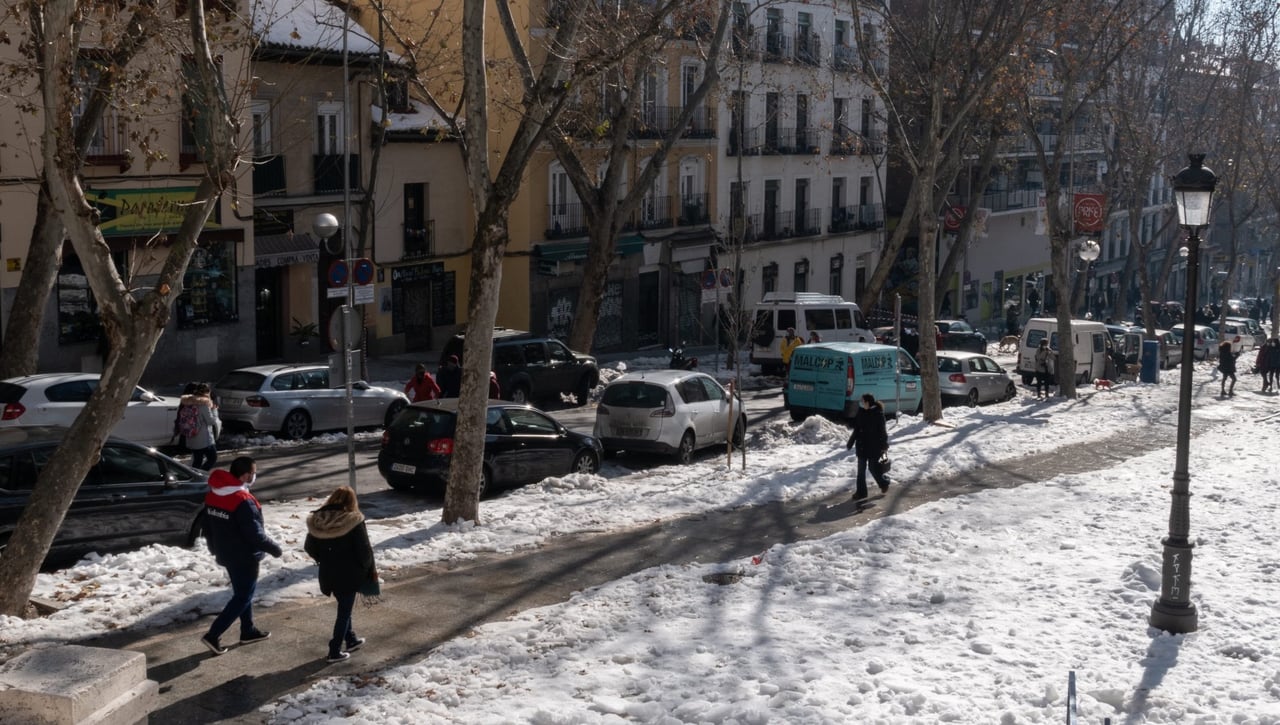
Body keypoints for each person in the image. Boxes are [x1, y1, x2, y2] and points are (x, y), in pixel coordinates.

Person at [200, 456, 281, 656]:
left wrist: (214, 548)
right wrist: (274, 549)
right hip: (245, 556)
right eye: (253, 473)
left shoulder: (213, 494)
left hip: (226, 552)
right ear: (245, 476)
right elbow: (254, 534)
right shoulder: (242, 500)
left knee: (242, 594)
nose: (254, 476)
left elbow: (207, 527)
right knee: (243, 597)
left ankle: (248, 630)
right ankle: (213, 635)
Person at [305, 486, 376, 664]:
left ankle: (350, 639)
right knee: (344, 612)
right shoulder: (354, 521)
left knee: (345, 606)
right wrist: (366, 568)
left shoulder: (318, 520)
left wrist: (324, 558)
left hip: (328, 573)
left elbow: (309, 547)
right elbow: (364, 551)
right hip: (349, 573)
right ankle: (334, 650)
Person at [844, 393, 890, 501]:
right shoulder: (861, 413)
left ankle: (884, 483)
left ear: (868, 402)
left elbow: (882, 432)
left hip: (874, 447)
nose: (861, 403)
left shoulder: (878, 414)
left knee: (873, 469)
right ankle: (861, 493)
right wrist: (850, 442)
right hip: (861, 446)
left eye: (862, 401)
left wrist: (884, 446)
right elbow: (857, 429)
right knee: (860, 471)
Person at [183, 382, 222, 470]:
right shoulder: (203, 405)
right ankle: (200, 475)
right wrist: (214, 410)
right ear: (207, 393)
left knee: (197, 461)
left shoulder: (189, 402)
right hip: (203, 440)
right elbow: (211, 421)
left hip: (192, 437)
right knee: (212, 458)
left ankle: (194, 476)